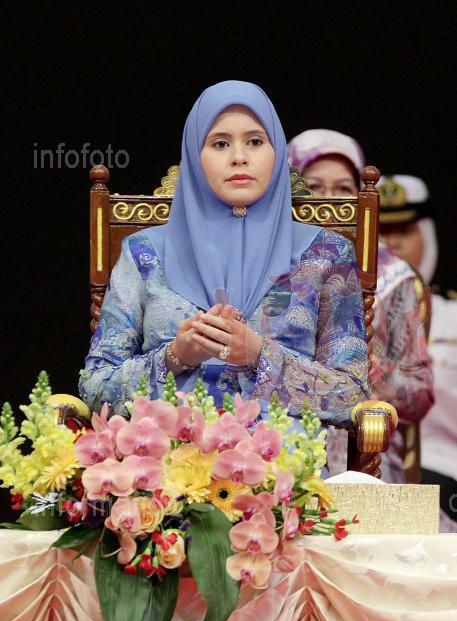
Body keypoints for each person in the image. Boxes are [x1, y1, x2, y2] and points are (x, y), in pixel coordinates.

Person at [79, 82, 368, 430]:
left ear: (277, 153)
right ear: (194, 156)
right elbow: (95, 390)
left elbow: (352, 394)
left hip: (285, 460)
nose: (239, 157)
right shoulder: (145, 254)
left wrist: (261, 355)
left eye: (255, 141)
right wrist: (175, 356)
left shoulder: (325, 253)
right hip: (166, 457)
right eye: (220, 143)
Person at [287, 130, 434, 477]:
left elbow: (419, 393)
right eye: (314, 187)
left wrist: (362, 375)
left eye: (342, 188)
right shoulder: (267, 266)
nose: (329, 202)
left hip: (370, 455)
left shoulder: (395, 276)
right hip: (283, 444)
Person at [379, 174, 457, 530]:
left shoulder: (453, 317)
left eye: (405, 231)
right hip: (368, 476)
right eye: (382, 231)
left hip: (446, 473)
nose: (393, 243)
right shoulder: (349, 319)